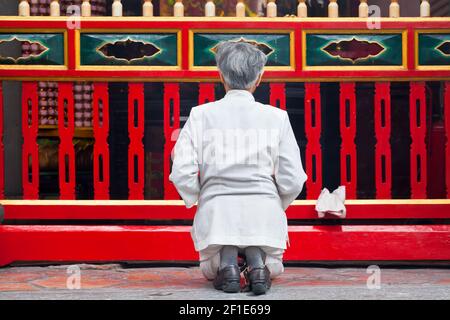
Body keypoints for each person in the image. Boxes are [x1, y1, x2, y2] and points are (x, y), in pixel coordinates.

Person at [169, 40, 307, 295]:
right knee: (273, 264)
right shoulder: (277, 117)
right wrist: (276, 201)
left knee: (210, 268)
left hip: (216, 216)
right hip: (265, 216)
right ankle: (258, 265)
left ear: (221, 75)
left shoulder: (201, 114)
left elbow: (181, 170)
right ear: (260, 77)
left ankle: (228, 265)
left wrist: (201, 196)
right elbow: (294, 178)